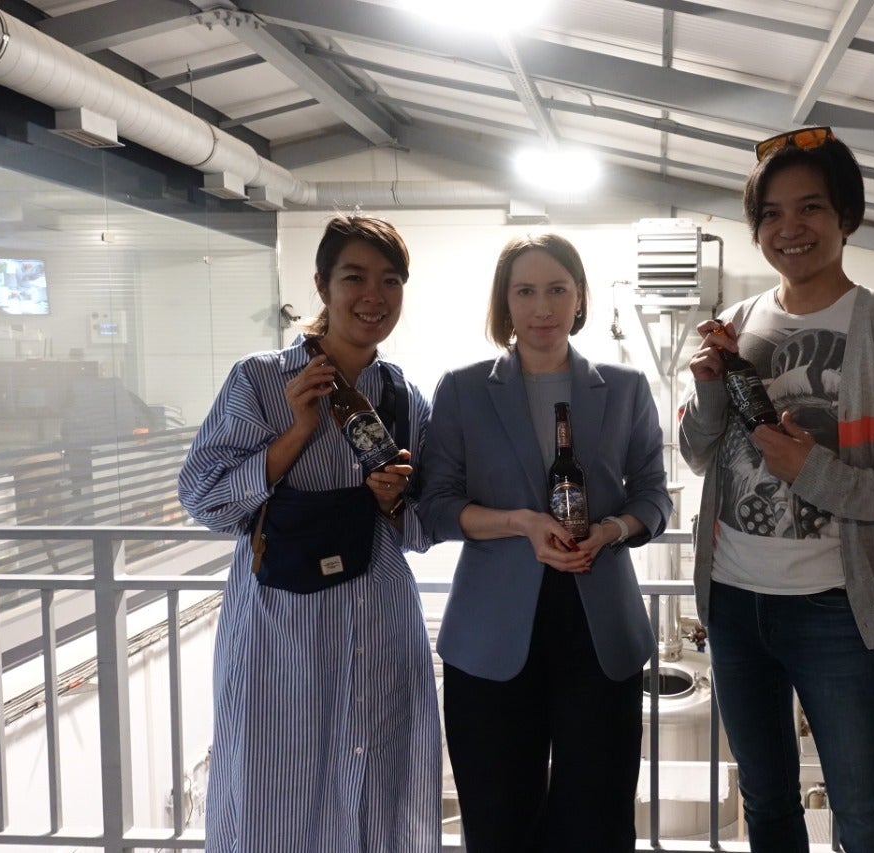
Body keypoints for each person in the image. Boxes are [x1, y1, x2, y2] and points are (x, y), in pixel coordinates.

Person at [679, 127, 874, 852]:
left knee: (865, 816)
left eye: (810, 208)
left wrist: (816, 473)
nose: (790, 228)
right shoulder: (737, 324)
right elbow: (698, 454)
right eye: (771, 214)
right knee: (766, 804)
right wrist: (707, 390)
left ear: (847, 217)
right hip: (734, 602)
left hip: (836, 607)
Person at [178, 215, 440, 852]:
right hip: (281, 631)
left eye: (390, 280)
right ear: (322, 285)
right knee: (272, 793)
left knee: (379, 792)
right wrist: (294, 433)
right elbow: (203, 498)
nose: (373, 296)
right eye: (354, 277)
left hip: (379, 624)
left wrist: (394, 501)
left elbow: (423, 530)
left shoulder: (403, 397)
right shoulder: (260, 379)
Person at [419, 233, 673, 852]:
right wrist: (522, 523)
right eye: (525, 291)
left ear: (579, 297)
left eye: (557, 289)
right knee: (499, 823)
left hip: (600, 631)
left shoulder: (625, 387)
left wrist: (611, 531)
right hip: (491, 635)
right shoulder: (463, 389)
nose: (542, 307)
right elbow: (437, 507)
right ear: (504, 302)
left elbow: (653, 496)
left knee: (598, 823)